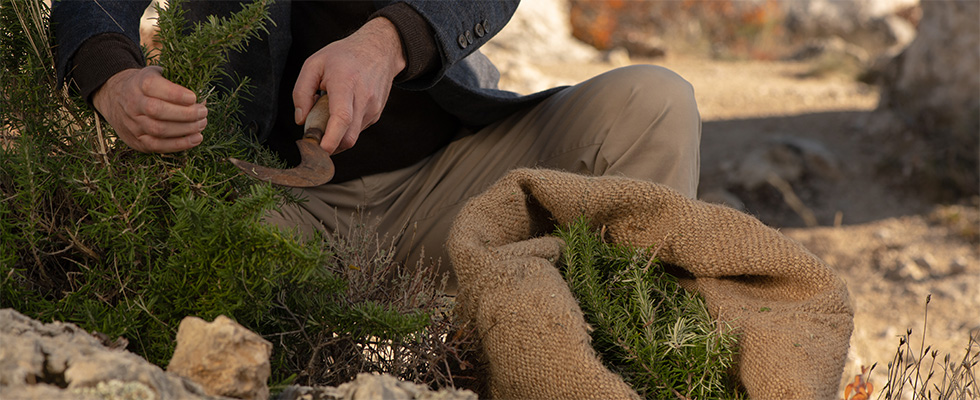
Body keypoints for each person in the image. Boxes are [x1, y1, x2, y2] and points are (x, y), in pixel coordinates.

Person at [52, 0, 701, 290]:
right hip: (279, 210)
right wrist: (112, 75)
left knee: (653, 99)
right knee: (178, 220)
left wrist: (385, 42)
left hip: (458, 186)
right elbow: (91, 4)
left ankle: (631, 339)